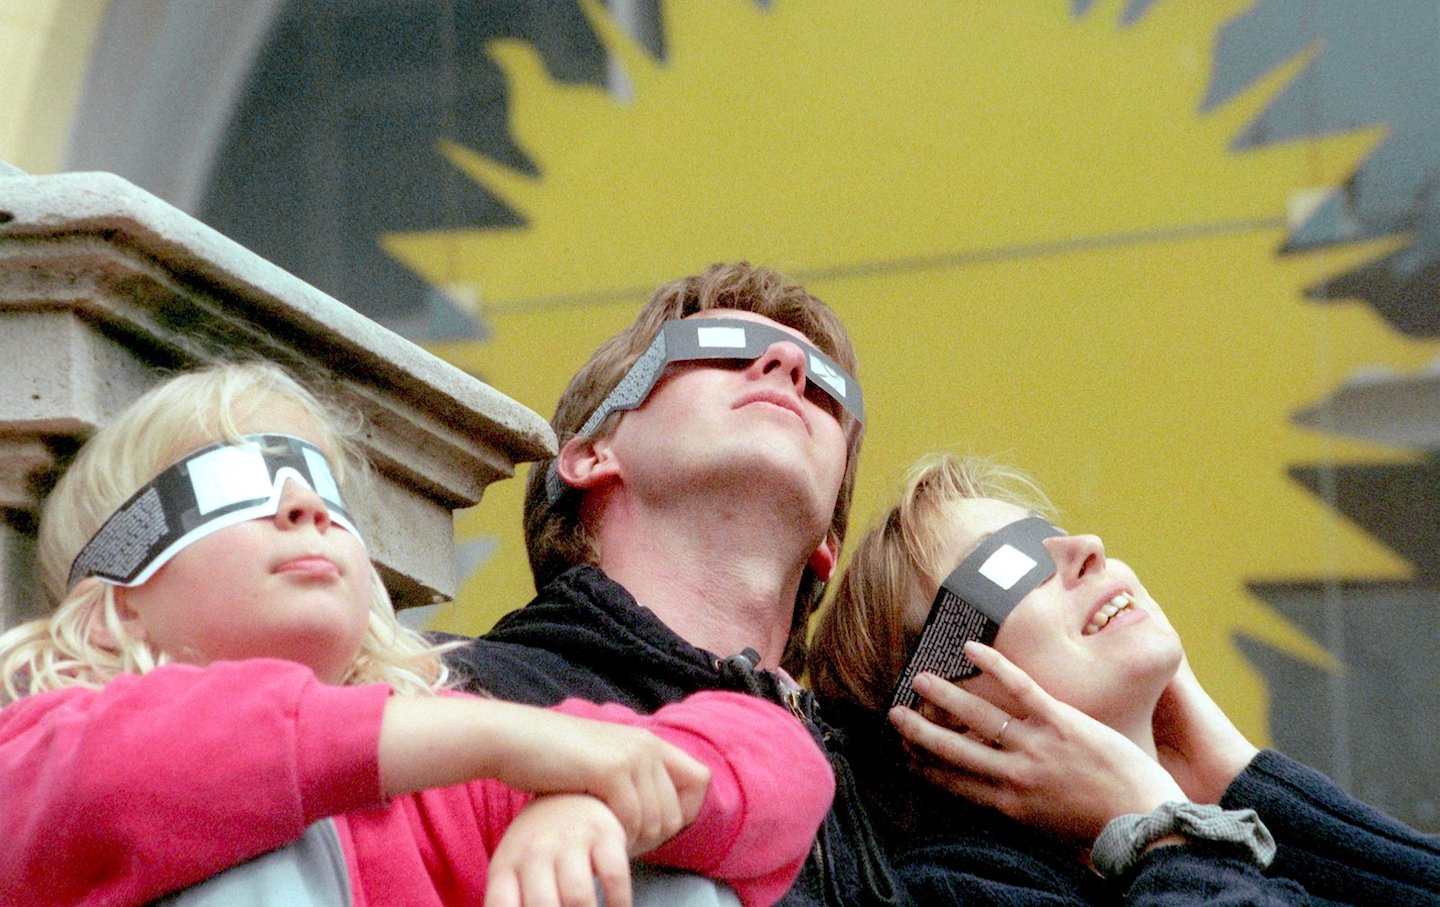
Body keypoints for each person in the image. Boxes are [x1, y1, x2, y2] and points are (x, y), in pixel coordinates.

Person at [0, 361, 834, 907]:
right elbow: (137, 774)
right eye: (228, 485)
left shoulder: (443, 783)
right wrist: (499, 735)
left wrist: (596, 806)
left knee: (664, 876)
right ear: (116, 604)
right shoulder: (48, 746)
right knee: (246, 834)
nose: (305, 506)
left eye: (320, 483)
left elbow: (779, 754)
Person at [443, 262, 905, 907]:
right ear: (589, 453)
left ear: (828, 539)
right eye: (720, 349)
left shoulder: (902, 810)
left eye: (827, 390)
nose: (785, 366)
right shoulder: (442, 696)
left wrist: (1103, 822)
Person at [810, 452, 1440, 905]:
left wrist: (1238, 779)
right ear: (942, 711)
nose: (1088, 546)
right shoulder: (952, 892)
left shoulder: (1221, 843)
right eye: (1012, 563)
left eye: (1048, 534)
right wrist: (1158, 829)